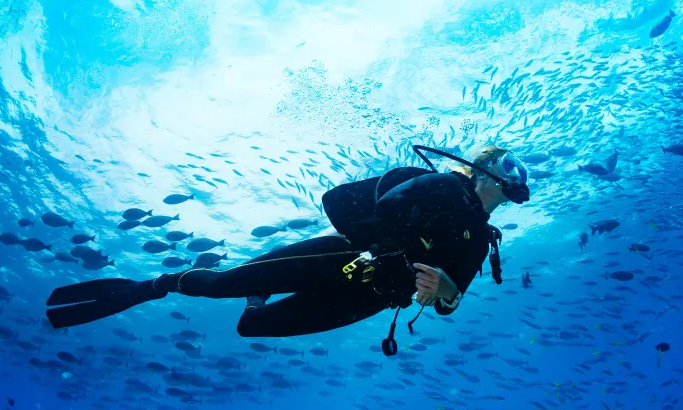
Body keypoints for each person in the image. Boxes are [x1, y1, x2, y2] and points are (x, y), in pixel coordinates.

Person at [45, 144, 529, 354]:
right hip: (344, 256)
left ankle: (257, 298)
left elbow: (449, 302)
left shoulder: (482, 239)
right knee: (221, 285)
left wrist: (445, 292)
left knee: (253, 325)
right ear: (484, 170)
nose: (518, 176)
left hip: (373, 296)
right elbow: (390, 205)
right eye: (510, 164)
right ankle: (154, 285)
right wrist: (403, 251)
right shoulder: (446, 186)